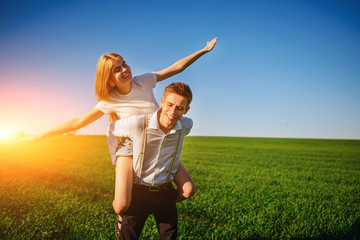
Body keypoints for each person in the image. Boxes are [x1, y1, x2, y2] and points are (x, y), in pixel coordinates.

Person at [17, 38, 217, 220]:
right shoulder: (109, 101)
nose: (124, 70)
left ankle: (155, 204)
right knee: (121, 206)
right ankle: (129, 216)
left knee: (188, 189)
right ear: (110, 79)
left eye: (124, 64)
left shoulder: (144, 81)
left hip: (158, 142)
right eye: (117, 69)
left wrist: (204, 50)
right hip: (130, 147)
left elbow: (176, 68)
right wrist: (40, 136)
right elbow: (78, 122)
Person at [113, 82, 193, 239]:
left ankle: (157, 207)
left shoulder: (186, 125)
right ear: (162, 101)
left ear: (186, 110)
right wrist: (121, 155)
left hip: (165, 192)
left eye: (179, 108)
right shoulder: (139, 124)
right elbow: (113, 128)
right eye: (169, 104)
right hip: (138, 191)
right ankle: (121, 220)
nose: (172, 112)